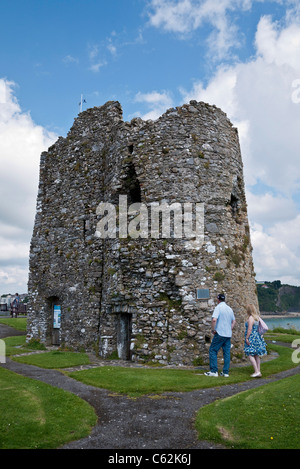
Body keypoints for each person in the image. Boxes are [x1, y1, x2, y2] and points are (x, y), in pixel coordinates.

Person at [205, 293, 236, 377]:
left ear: (218, 299)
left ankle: (214, 371)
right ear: (224, 299)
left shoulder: (218, 307)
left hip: (220, 333)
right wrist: (230, 328)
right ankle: (225, 372)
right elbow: (233, 321)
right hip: (228, 334)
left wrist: (213, 329)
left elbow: (214, 320)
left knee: (213, 350)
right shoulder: (229, 309)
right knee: (226, 353)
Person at [244, 304, 267, 377]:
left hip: (252, 337)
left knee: (250, 354)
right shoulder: (257, 317)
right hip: (257, 337)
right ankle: (258, 371)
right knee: (256, 354)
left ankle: (256, 371)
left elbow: (249, 329)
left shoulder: (251, 318)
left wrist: (247, 338)